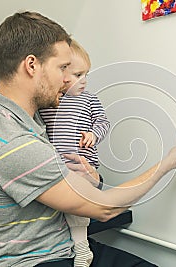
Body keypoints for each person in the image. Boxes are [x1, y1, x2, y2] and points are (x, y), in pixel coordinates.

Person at [0, 11, 176, 267]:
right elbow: (104, 209)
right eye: (62, 68)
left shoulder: (23, 116)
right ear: (31, 66)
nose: (68, 79)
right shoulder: (13, 142)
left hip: (65, 248)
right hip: (34, 262)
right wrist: (168, 162)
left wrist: (93, 178)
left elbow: (63, 181)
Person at [39, 39, 110, 267]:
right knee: (59, 208)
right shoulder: (51, 103)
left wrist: (94, 134)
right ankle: (72, 246)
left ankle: (82, 249)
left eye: (86, 74)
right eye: (78, 75)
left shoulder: (89, 99)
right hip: (58, 167)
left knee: (76, 208)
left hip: (82, 165)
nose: (84, 81)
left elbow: (103, 121)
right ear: (61, 75)